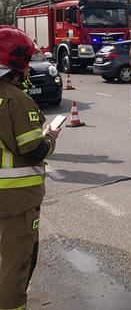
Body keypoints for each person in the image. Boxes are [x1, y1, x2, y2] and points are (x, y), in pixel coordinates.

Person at [0, 26, 60, 309]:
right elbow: (33, 150)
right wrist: (50, 137)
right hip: (14, 201)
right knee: (14, 268)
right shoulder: (17, 100)